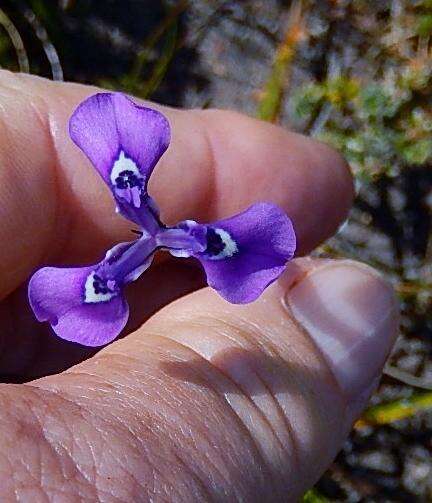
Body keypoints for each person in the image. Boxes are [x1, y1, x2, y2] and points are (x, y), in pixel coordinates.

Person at [0, 70, 398, 501]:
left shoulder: (151, 226)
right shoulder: (114, 267)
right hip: (153, 253)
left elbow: (265, 250)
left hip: (195, 240)